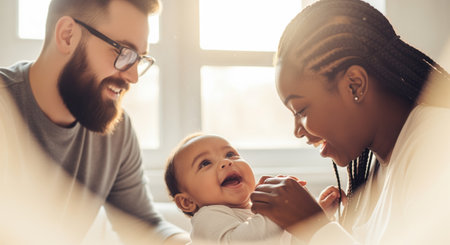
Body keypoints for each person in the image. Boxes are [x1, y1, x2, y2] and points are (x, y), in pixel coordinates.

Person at [250, 0, 450, 244]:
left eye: (300, 109)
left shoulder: (439, 143)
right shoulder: (373, 167)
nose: (297, 132)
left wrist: (315, 226)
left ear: (355, 84)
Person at [0, 0, 189, 244]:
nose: (133, 77)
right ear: (67, 36)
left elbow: (143, 223)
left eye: (139, 59)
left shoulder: (116, 131)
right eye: (123, 52)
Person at [164, 133, 304, 244]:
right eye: (205, 163)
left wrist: (307, 216)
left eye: (230, 154)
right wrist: (278, 210)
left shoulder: (256, 213)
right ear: (187, 202)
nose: (226, 162)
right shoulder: (207, 217)